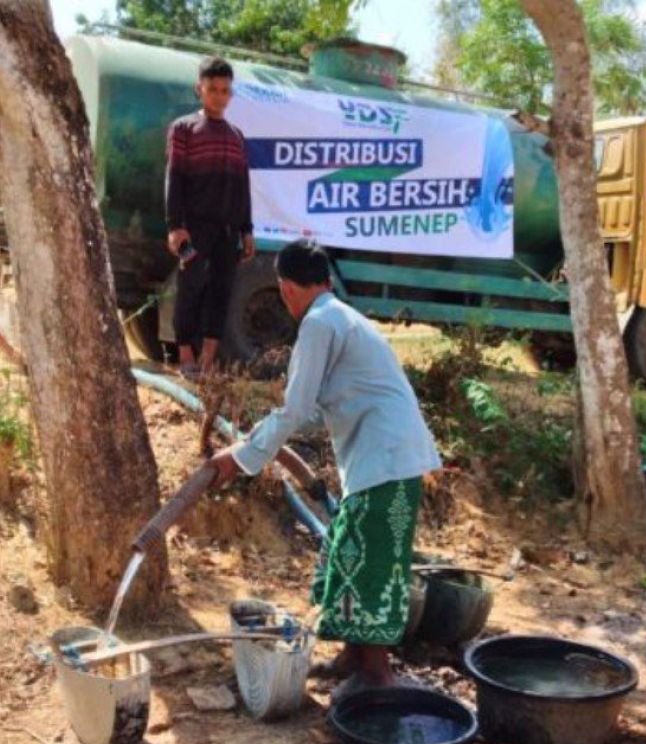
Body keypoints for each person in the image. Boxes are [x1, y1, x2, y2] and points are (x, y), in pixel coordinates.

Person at [208, 239, 442, 696]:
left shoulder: (318, 323)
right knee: (347, 550)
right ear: (326, 279)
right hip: (385, 457)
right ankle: (354, 658)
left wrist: (239, 458)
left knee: (371, 561)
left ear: (286, 287)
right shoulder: (340, 316)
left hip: (387, 459)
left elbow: (294, 410)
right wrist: (260, 441)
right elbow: (314, 409)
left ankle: (376, 676)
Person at [164, 56, 255, 379]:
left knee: (221, 289)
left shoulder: (237, 136)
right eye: (212, 89)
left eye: (225, 90)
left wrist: (246, 230)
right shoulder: (184, 129)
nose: (219, 96)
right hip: (194, 229)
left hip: (227, 230)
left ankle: (208, 359)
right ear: (199, 89)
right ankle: (185, 355)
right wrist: (176, 226)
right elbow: (174, 179)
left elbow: (243, 187)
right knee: (191, 287)